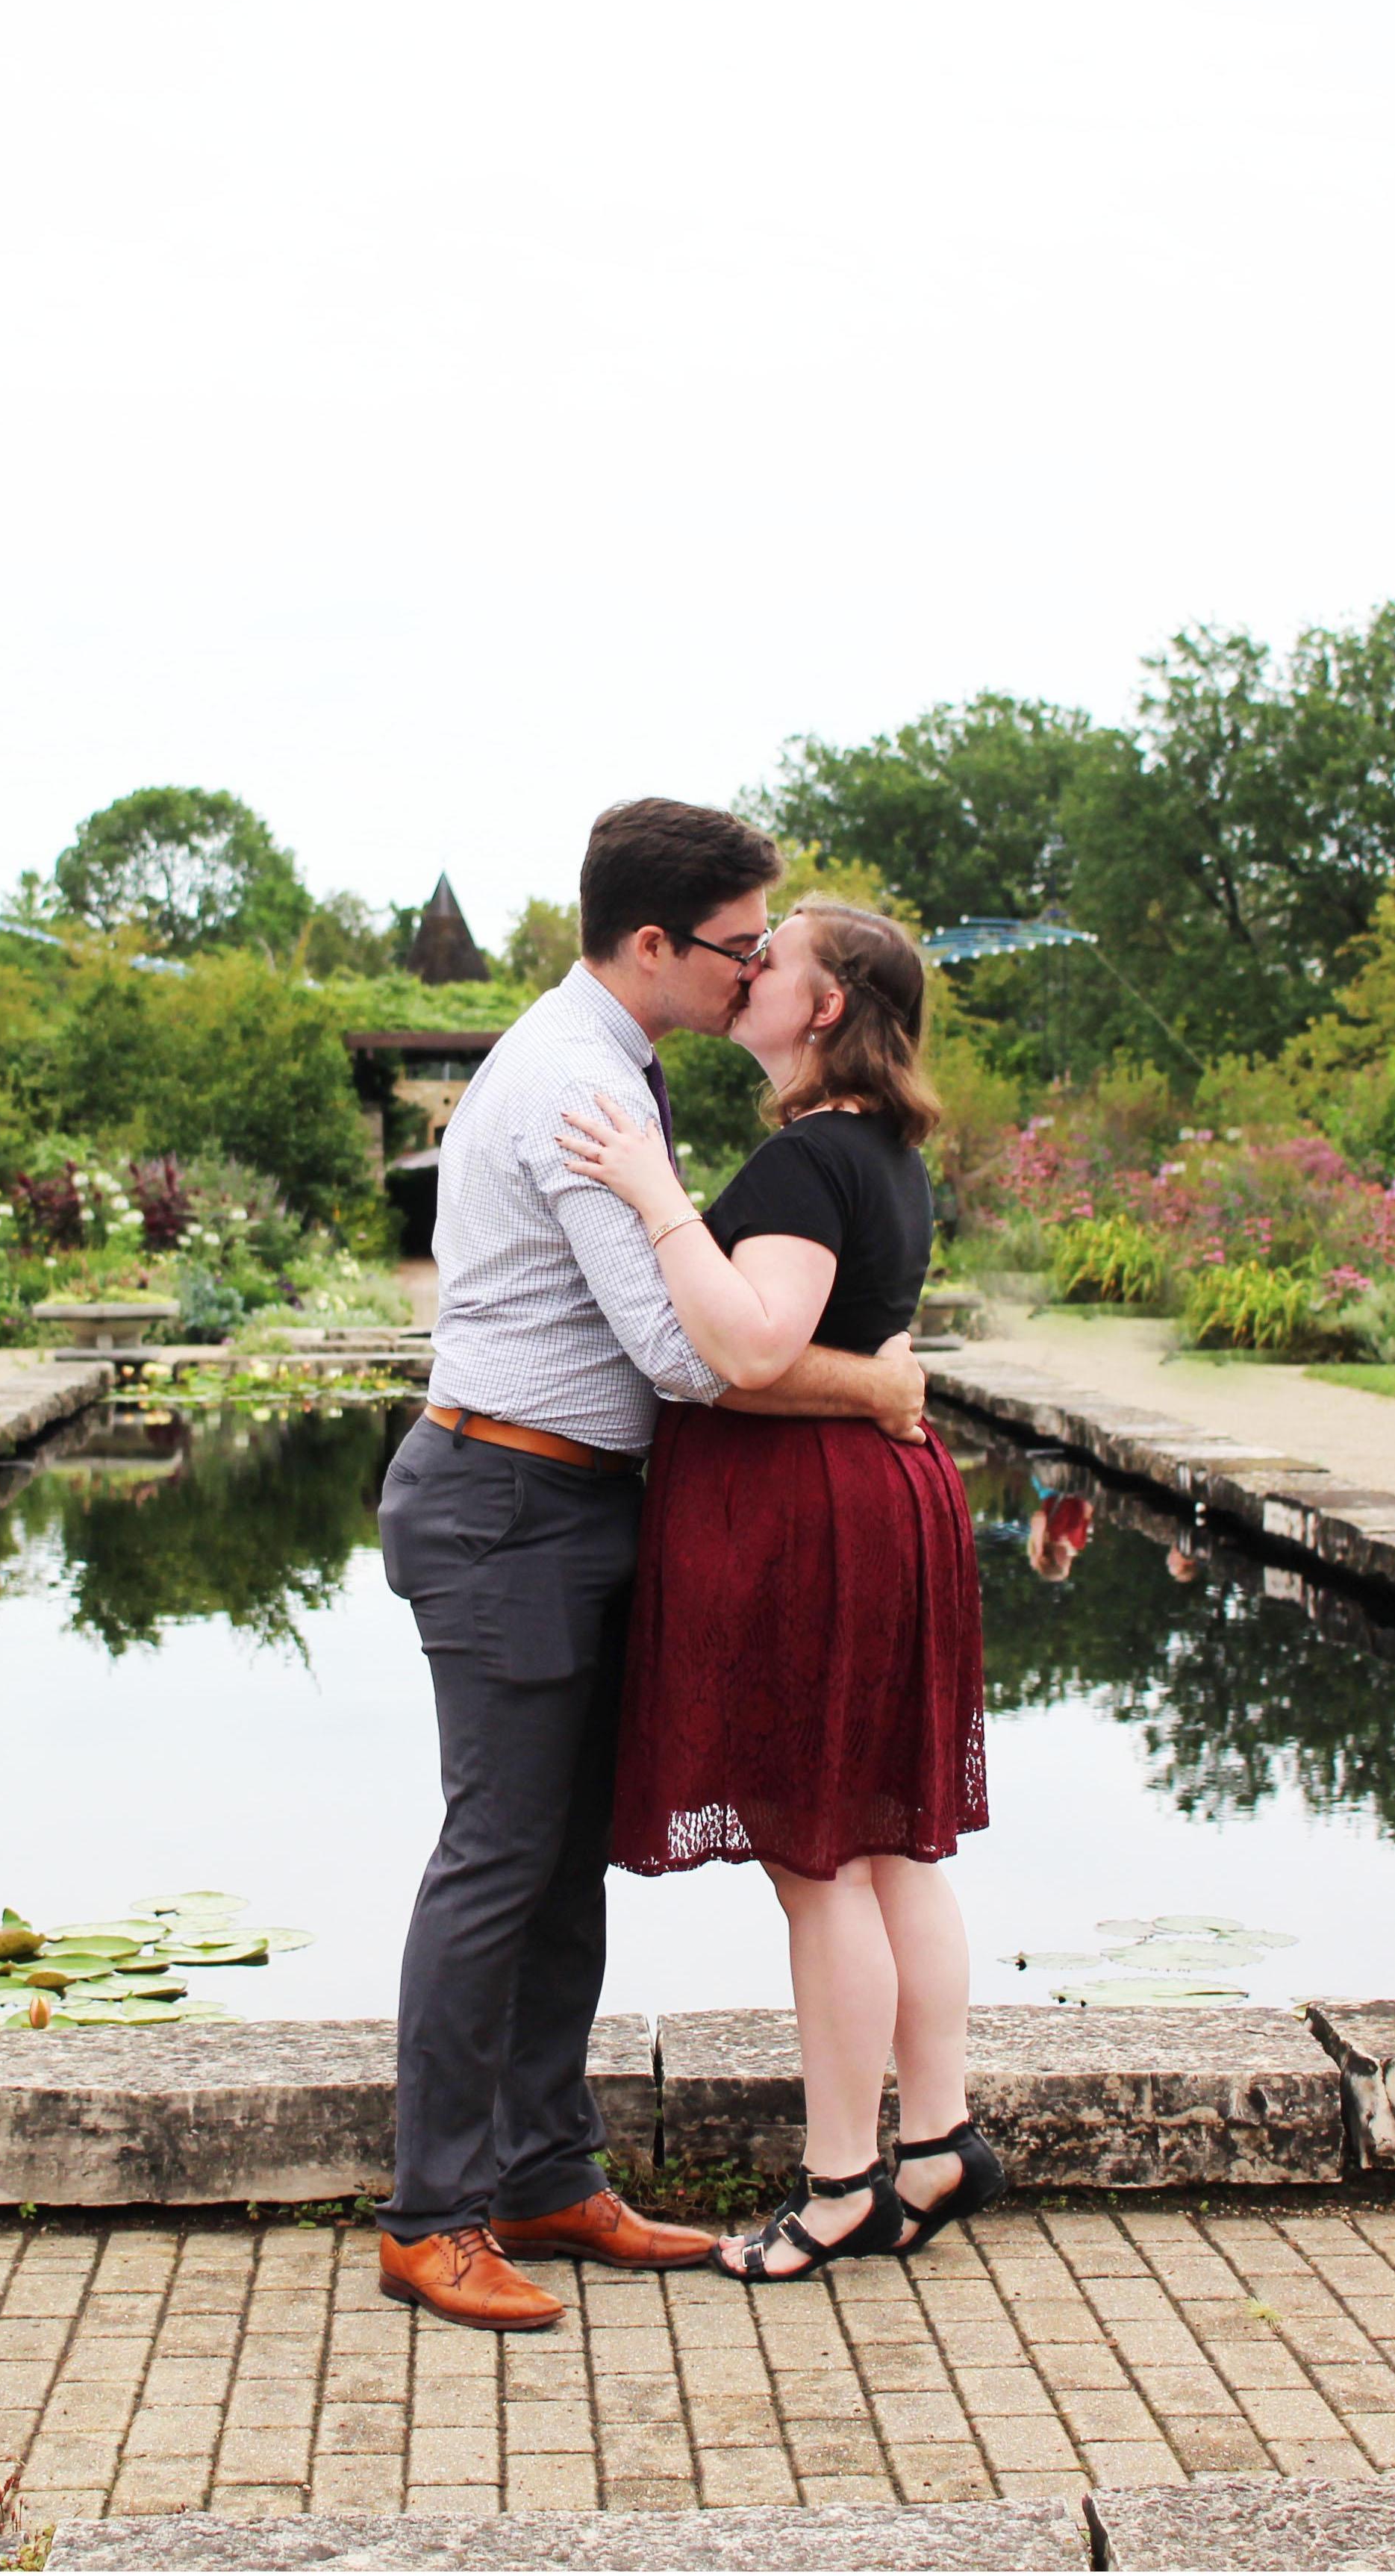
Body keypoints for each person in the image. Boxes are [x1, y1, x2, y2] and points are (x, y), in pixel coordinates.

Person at [373, 803, 931, 2333]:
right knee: (496, 1861)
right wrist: (876, 1388)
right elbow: (693, 1358)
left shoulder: (620, 1065)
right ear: (650, 947)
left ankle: (548, 2172)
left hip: (571, 1505)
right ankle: (430, 2215)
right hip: (505, 1501)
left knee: (563, 1860)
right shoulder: (570, 1086)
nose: (754, 967)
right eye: (739, 945)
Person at [558, 896, 1002, 2283]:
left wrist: (654, 1195)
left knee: (821, 1869)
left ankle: (842, 2187)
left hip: (820, 1519)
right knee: (888, 1849)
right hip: (882, 1504)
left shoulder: (811, 1160)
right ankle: (936, 2143)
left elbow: (752, 1346)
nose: (748, 971)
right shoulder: (885, 1151)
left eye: (777, 958)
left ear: (824, 1010)